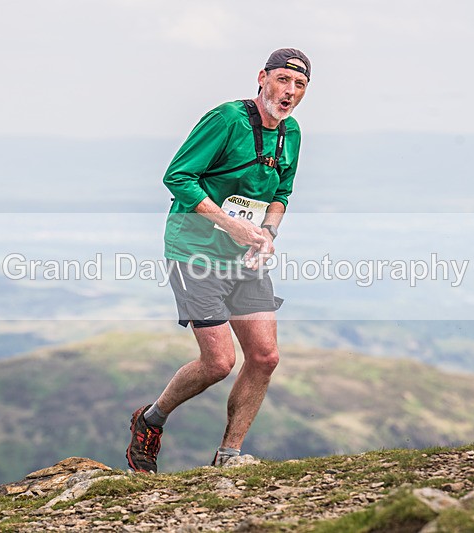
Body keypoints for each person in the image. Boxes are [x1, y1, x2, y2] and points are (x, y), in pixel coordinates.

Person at [126, 48, 311, 473]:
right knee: (219, 363)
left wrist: (267, 233)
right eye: (283, 80)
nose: (289, 91)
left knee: (265, 357)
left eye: (299, 85)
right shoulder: (227, 119)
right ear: (262, 78)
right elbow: (177, 177)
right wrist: (233, 225)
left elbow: (282, 193)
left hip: (245, 255)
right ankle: (150, 420)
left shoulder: (292, 132)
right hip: (194, 252)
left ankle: (227, 457)